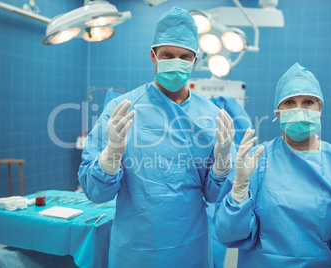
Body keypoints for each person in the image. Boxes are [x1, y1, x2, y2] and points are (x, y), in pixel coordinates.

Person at [78, 7, 237, 267]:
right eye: (168, 55)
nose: (176, 61)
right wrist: (110, 157)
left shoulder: (211, 115)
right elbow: (96, 194)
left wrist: (221, 166)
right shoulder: (122, 109)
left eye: (184, 56)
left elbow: (212, 195)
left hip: (190, 247)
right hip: (135, 248)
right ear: (153, 56)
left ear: (195, 60)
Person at [214, 63, 331, 267]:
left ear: (320, 108)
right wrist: (239, 188)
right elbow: (229, 235)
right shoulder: (255, 161)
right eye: (289, 102)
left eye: (308, 102)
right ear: (277, 113)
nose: (299, 109)